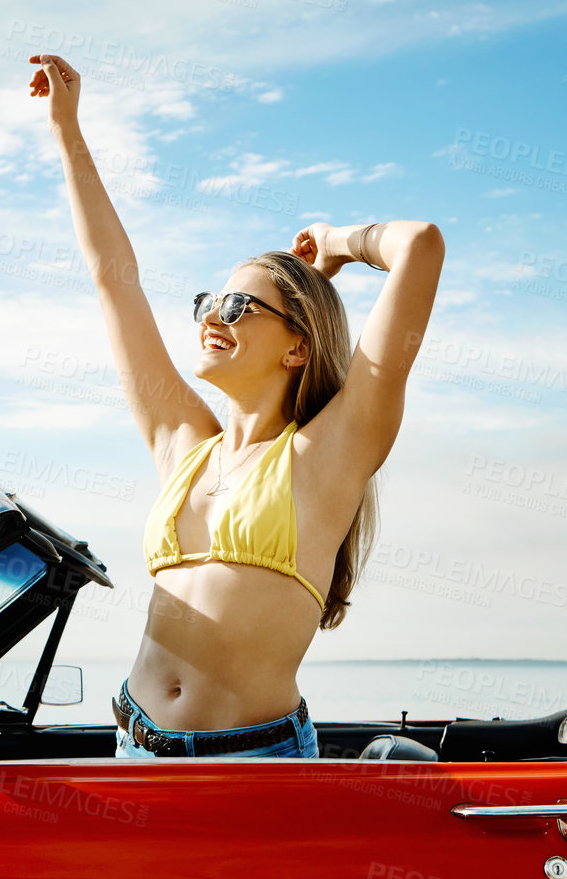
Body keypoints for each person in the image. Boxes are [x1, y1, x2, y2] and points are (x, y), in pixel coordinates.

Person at [26, 53, 445, 759]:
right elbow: (114, 281)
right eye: (208, 302)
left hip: (252, 764)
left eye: (238, 305)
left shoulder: (329, 452)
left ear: (297, 348)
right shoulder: (184, 443)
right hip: (133, 745)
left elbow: (421, 247)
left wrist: (336, 245)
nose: (211, 316)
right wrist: (68, 130)